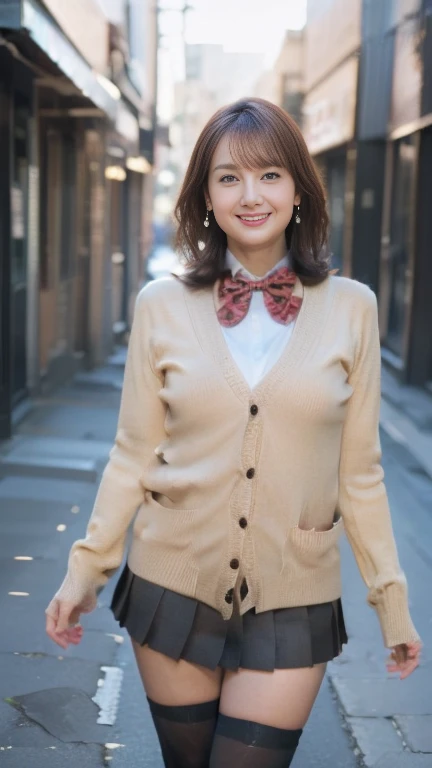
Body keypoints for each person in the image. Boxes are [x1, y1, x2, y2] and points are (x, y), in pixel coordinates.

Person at [45, 98, 422, 768]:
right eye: (229, 178)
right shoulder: (160, 305)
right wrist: (84, 572)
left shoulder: (354, 309)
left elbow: (359, 473)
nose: (251, 196)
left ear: (300, 190)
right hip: (170, 587)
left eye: (270, 175)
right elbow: (133, 452)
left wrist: (392, 603)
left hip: (294, 596)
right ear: (205, 197)